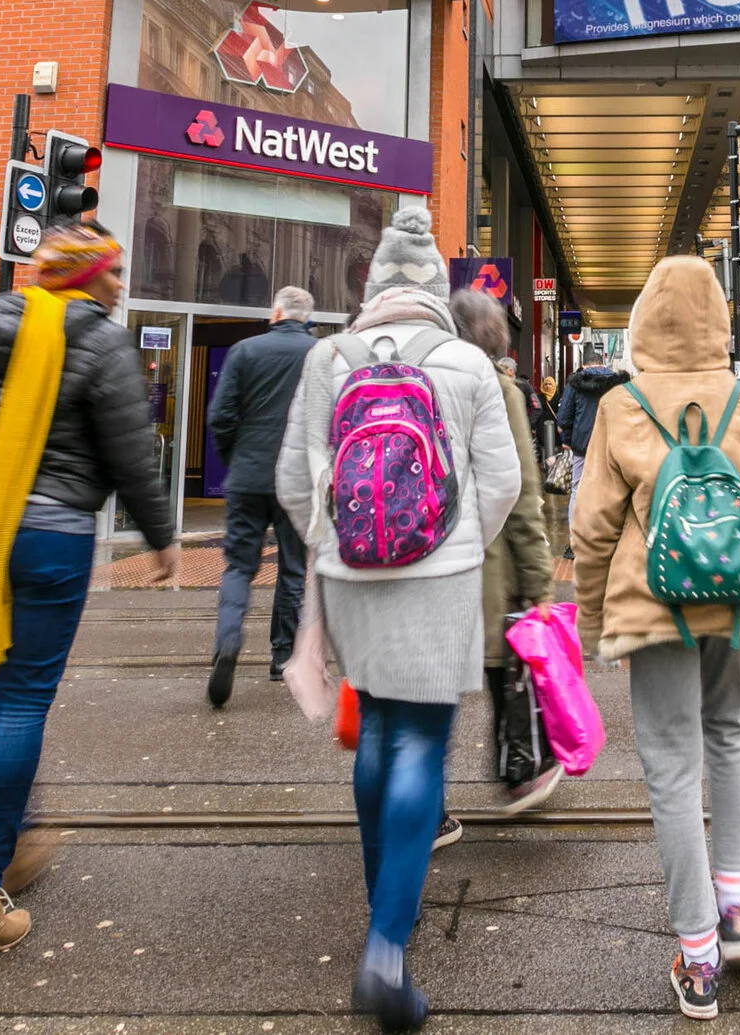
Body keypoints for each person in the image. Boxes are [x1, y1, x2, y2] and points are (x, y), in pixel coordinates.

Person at [0, 224, 187, 972]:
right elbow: (128, 444)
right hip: (54, 534)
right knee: (22, 701)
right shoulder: (105, 340)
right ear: (83, 277)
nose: (119, 285)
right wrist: (161, 533)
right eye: (111, 273)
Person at [275, 207, 520, 1031]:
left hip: (350, 573)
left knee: (376, 729)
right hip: (441, 576)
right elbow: (505, 481)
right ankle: (387, 944)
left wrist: (339, 539)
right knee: (421, 740)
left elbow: (296, 480)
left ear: (375, 284)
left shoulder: (326, 357)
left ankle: (388, 908)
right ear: (433, 291)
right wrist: (457, 544)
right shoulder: (467, 362)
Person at [571, 255, 740, 1022]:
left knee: (672, 768)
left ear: (644, 320)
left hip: (653, 609)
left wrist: (589, 621)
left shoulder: (621, 405)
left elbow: (591, 530)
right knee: (731, 735)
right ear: (719, 320)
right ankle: (739, 910)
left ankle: (699, 954)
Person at [451, 288, 565, 814]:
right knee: (507, 666)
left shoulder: (425, 379)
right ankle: (519, 768)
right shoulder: (500, 390)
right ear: (496, 335)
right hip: (489, 564)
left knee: (434, 685)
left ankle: (420, 805)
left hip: (427, 563)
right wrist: (540, 581)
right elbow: (521, 493)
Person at [203, 286, 319, 707]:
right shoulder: (319, 354)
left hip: (248, 476)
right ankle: (281, 657)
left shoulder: (245, 351)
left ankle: (228, 643)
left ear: (275, 312)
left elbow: (221, 415)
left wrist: (235, 458)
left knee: (238, 566)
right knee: (292, 570)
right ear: (307, 317)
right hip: (297, 481)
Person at [557, 343, 630, 492]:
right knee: (610, 489)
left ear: (584, 366)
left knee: (578, 488)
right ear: (603, 365)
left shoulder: (575, 383)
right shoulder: (618, 383)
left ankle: (577, 516)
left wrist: (568, 440)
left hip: (581, 445)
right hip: (612, 443)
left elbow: (563, 418)